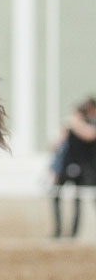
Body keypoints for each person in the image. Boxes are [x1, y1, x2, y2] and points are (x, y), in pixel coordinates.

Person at [50, 97, 96, 238]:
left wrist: (76, 123)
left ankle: (73, 233)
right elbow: (56, 146)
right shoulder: (71, 126)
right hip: (67, 166)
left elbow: (90, 134)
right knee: (56, 195)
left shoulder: (86, 124)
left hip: (87, 169)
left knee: (80, 199)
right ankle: (58, 231)